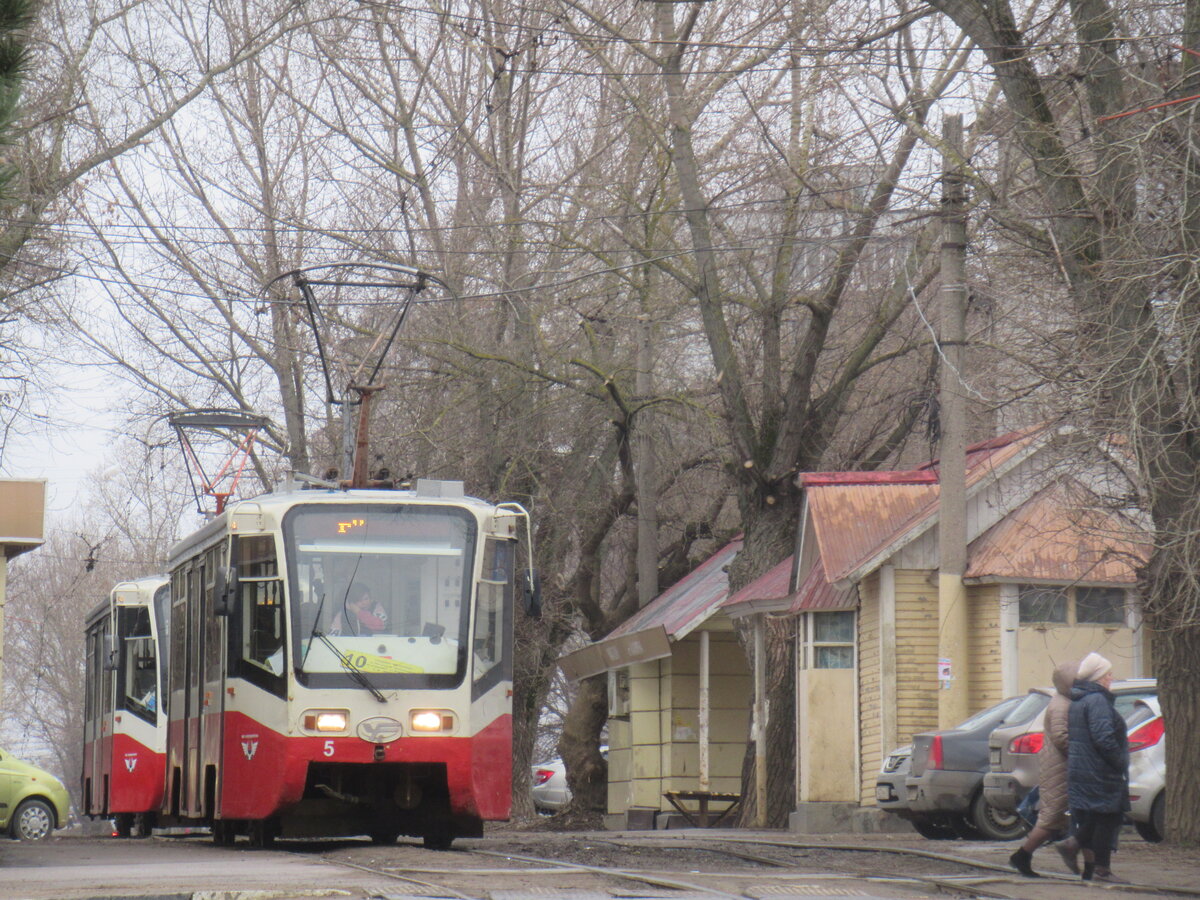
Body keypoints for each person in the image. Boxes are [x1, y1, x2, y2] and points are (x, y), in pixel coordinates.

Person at [1009, 659, 1081, 877]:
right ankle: (1022, 855)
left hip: (1057, 767)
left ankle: (1024, 855)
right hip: (1060, 768)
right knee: (1051, 817)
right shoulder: (1062, 705)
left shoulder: (1062, 700)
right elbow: (1061, 737)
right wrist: (1080, 751)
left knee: (1055, 817)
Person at [1067, 651, 1129, 883]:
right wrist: (1119, 761)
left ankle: (1076, 848)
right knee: (1107, 816)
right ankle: (1100, 868)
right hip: (1099, 770)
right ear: (1099, 677)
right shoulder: (1097, 701)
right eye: (1108, 674)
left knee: (1098, 816)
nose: (1111, 678)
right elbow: (1103, 738)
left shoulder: (1081, 699)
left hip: (1086, 769)